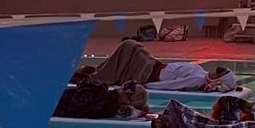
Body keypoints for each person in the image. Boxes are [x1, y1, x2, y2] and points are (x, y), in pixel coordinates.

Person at [93, 38, 233, 91]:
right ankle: (99, 72)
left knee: (130, 45)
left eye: (219, 70)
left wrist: (146, 86)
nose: (215, 68)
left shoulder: (198, 79)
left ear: (217, 78)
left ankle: (98, 74)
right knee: (129, 49)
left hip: (148, 73)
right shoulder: (201, 72)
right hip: (154, 65)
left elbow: (172, 85)